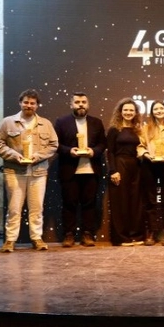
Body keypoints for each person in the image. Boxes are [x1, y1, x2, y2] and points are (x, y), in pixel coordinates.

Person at [0, 89, 58, 252]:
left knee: (37, 208)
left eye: (32, 103)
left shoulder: (46, 124)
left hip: (38, 172)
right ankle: (10, 240)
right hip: (14, 171)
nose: (29, 105)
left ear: (37, 105)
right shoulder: (8, 122)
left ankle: (36, 238)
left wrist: (37, 156)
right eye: (26, 102)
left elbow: (53, 145)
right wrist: (14, 155)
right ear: (20, 103)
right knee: (14, 208)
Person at [55, 92, 107, 247]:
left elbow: (103, 144)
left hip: (91, 170)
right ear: (71, 104)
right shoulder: (61, 122)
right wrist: (69, 151)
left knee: (90, 204)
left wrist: (93, 151)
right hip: (69, 170)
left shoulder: (96, 122)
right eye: (77, 102)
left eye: (84, 102)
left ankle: (88, 234)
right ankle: (68, 235)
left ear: (88, 104)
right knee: (69, 204)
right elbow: (55, 144)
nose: (81, 105)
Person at [137, 101, 164, 246]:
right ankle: (151, 232)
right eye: (156, 109)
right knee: (150, 200)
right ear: (152, 112)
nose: (159, 111)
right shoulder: (145, 128)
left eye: (161, 108)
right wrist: (146, 154)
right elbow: (140, 146)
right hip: (150, 165)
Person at [106, 98, 144, 246]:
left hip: (136, 166)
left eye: (131, 110)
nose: (128, 112)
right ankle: (121, 237)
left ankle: (136, 235)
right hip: (120, 165)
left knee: (135, 201)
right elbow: (110, 152)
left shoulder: (138, 129)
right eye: (126, 110)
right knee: (120, 202)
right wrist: (113, 171)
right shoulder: (114, 129)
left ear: (136, 113)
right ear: (120, 112)